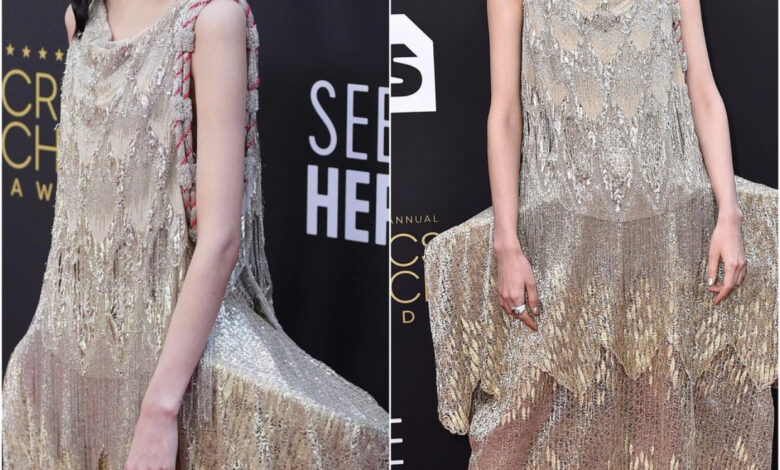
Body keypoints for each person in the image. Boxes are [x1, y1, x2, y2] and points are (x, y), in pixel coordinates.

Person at [2, 0, 388, 468]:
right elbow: (79, 213)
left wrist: (158, 412)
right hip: (67, 359)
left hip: (178, 361)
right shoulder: (82, 18)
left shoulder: (213, 20)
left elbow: (221, 240)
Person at [424, 0, 777, 467]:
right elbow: (505, 112)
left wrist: (729, 216)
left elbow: (704, 92)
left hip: (672, 228)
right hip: (561, 236)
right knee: (534, 421)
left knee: (664, 420)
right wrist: (507, 243)